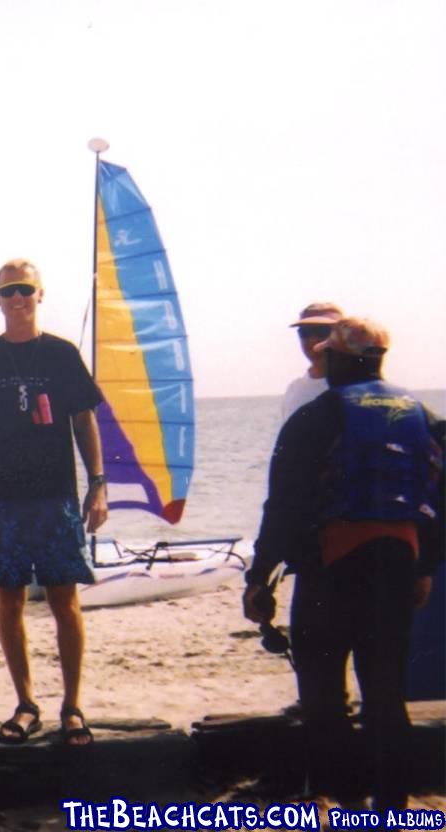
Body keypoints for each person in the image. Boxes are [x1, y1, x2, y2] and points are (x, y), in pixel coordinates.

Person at [243, 317, 442, 812]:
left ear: (341, 360)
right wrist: (425, 568)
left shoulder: (316, 418)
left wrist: (258, 579)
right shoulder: (421, 414)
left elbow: (282, 506)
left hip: (329, 572)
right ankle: (393, 805)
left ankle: (344, 801)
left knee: (325, 696)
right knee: (385, 692)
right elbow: (438, 500)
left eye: (326, 354)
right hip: (397, 568)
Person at [0, 258, 107, 748]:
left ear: (40, 294)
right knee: (9, 603)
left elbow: (85, 422)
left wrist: (99, 484)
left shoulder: (63, 355)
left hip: (55, 497)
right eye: (8, 292)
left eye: (25, 289)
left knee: (65, 602)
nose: (17, 298)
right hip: (0, 499)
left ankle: (72, 706)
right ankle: (26, 703)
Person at [282, 301, 344, 421]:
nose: (313, 340)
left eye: (322, 331)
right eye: (305, 333)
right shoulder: (294, 389)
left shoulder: (360, 388)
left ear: (342, 334)